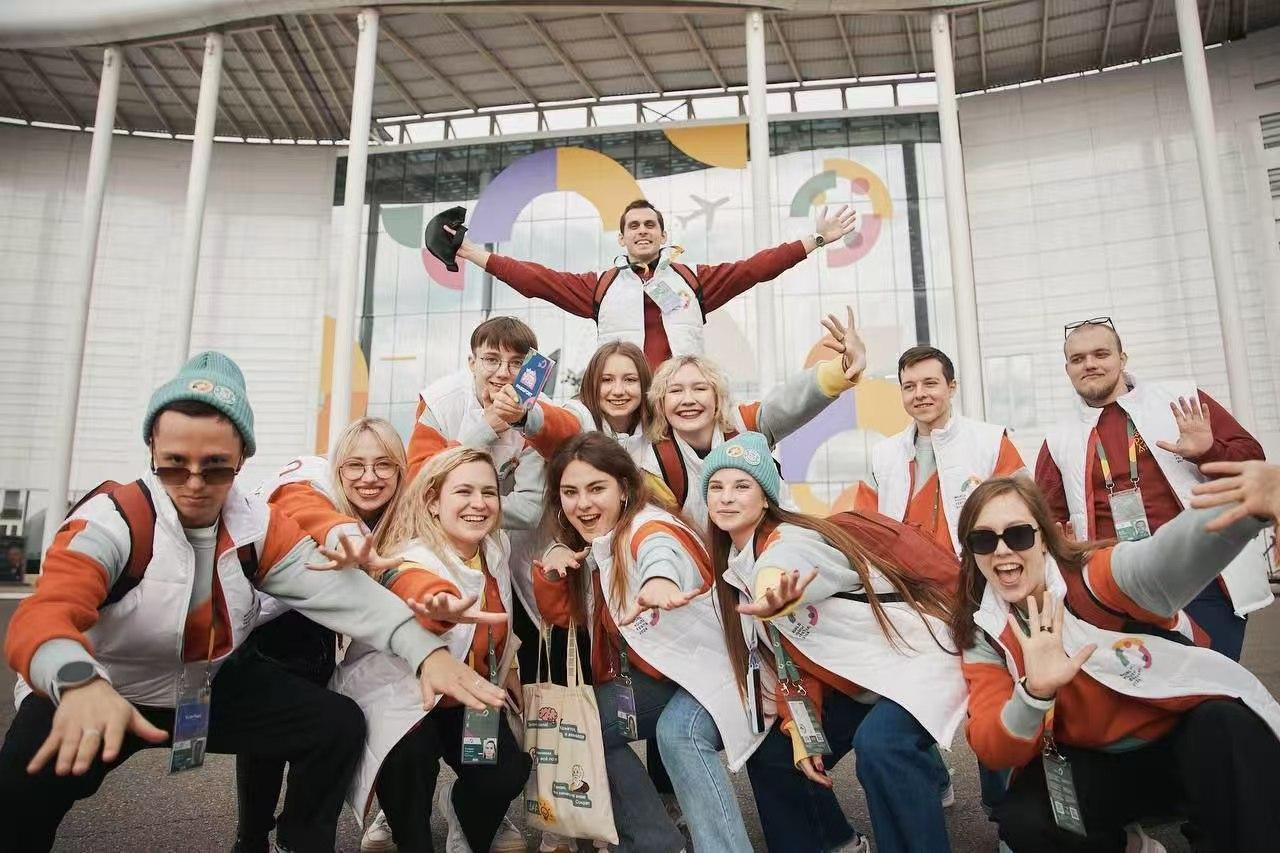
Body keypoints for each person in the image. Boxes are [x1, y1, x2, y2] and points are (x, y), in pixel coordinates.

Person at [0, 352, 504, 852]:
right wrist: (77, 680)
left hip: (205, 685)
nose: (194, 483)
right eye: (175, 464)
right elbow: (42, 616)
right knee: (17, 805)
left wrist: (427, 652)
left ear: (241, 457)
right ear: (152, 448)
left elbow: (342, 595)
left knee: (334, 724)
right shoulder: (114, 520)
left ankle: (298, 843)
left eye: (216, 466)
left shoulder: (255, 525)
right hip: (98, 690)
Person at [951, 474, 1280, 851]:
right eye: (983, 539)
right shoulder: (985, 631)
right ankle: (1130, 846)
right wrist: (1034, 693)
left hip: (1179, 745)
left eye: (1019, 534)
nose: (1001, 550)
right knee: (1024, 820)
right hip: (1094, 764)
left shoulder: (1093, 577)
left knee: (1229, 725)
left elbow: (1160, 561)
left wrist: (1245, 506)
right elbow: (994, 749)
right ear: (971, 552)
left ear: (1044, 537)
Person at [703, 432, 963, 853]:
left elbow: (788, 563)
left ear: (766, 498)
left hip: (915, 663)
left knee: (880, 745)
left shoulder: (793, 538)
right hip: (863, 681)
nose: (726, 497)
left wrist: (772, 589)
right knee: (774, 756)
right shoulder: (734, 568)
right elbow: (791, 660)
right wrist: (799, 728)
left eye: (741, 485)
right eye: (716, 487)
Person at [534, 433, 766, 853]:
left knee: (678, 734)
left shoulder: (649, 526)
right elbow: (563, 619)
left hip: (720, 669)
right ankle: (656, 844)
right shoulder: (596, 541)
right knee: (580, 725)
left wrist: (660, 580)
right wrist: (553, 571)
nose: (582, 503)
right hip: (670, 673)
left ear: (624, 489)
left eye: (596, 488)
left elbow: (660, 551)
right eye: (570, 492)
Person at [332, 446, 530, 853]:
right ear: (433, 502)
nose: (479, 503)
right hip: (408, 700)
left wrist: (508, 667)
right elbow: (406, 580)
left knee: (506, 775)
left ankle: (460, 811)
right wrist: (436, 604)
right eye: (464, 492)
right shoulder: (412, 557)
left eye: (488, 492)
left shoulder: (495, 549)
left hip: (467, 698)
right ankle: (408, 833)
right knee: (409, 765)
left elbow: (498, 621)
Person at [1035, 316, 1270, 660]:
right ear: (1068, 369)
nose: (1090, 364)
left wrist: (1208, 450)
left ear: (1122, 359)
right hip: (1118, 590)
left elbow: (1253, 461)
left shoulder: (1180, 401)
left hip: (1202, 576)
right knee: (1150, 688)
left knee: (1214, 680)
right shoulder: (1059, 438)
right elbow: (1046, 518)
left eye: (1101, 354)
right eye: (1078, 359)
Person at [235, 417, 405, 853]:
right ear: (338, 467)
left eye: (383, 464)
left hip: (312, 622)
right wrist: (344, 533)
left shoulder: (399, 512)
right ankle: (254, 837)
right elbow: (298, 499)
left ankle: (292, 837)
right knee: (276, 733)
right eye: (356, 465)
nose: (370, 477)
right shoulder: (315, 479)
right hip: (261, 622)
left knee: (323, 727)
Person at [453, 198, 858, 368]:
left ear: (664, 235)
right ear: (622, 239)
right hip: (622, 404)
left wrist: (816, 239)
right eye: (633, 226)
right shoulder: (600, 286)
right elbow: (537, 280)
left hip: (683, 399)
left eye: (650, 225)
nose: (642, 230)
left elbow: (756, 268)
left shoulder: (693, 280)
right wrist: (471, 252)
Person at [641, 307, 866, 531]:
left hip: (776, 541)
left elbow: (791, 400)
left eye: (700, 388)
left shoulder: (745, 425)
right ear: (660, 403)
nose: (688, 400)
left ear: (718, 397)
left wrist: (843, 367)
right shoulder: (655, 464)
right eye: (675, 391)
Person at [857, 345, 1025, 555]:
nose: (919, 394)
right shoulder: (882, 456)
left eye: (930, 383)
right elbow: (862, 530)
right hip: (899, 574)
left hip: (975, 571)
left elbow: (1025, 515)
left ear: (952, 387)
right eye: (909, 387)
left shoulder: (992, 443)